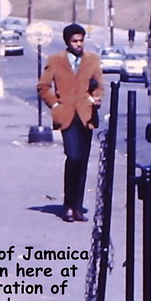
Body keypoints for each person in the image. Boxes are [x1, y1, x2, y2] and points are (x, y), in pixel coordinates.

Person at [37, 23, 104, 223]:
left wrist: (96, 98)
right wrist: (55, 104)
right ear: (67, 42)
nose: (79, 44)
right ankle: (68, 204)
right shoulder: (55, 60)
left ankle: (77, 207)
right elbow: (43, 85)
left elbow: (99, 85)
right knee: (73, 157)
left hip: (86, 115)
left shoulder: (92, 60)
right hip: (66, 115)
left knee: (82, 162)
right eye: (75, 41)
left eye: (81, 40)